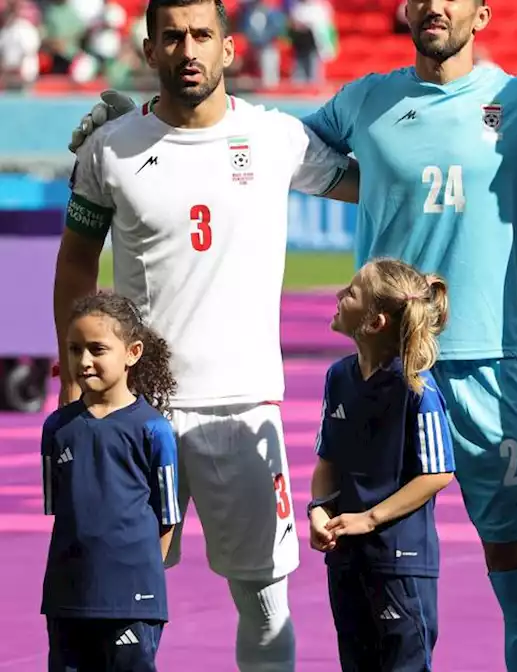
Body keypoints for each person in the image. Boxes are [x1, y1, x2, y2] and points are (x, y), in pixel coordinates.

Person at [64, 0, 517, 662]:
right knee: (374, 572)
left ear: (482, 14)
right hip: (386, 374)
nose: (434, 7)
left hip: (489, 362)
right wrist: (127, 125)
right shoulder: (361, 102)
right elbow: (248, 135)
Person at [51, 1, 356, 669]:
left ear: (227, 48)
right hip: (136, 411)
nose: (187, 49)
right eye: (172, 37)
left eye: (201, 36)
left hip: (242, 406)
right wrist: (76, 377)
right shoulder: (111, 148)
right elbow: (76, 257)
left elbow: (371, 182)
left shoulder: (276, 138)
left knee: (265, 600)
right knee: (118, 599)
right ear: (149, 49)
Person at [308, 258, 456, 671]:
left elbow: (438, 472)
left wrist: (370, 518)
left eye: (352, 292)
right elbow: (328, 461)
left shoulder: (417, 389)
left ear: (375, 322)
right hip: (346, 558)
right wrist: (319, 508)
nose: (339, 295)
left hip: (399, 563)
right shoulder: (338, 377)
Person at [42, 292, 181, 672]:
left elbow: (167, 517)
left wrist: (138, 578)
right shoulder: (57, 428)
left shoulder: (153, 428)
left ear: (132, 352)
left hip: (132, 601)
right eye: (74, 349)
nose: (83, 361)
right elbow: (61, 509)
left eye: (97, 349)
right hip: (67, 597)